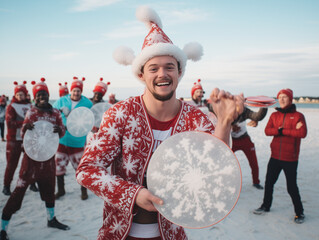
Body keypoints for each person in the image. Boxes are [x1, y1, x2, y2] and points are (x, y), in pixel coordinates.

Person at [76, 6, 244, 240]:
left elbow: (216, 168)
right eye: (153, 68)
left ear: (179, 72)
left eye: (169, 67)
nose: (162, 74)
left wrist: (224, 122)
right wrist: (133, 194)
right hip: (120, 232)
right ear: (142, 75)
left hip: (172, 233)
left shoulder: (195, 118)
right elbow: (87, 170)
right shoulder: (121, 114)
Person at [0, 78, 69, 240]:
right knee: (18, 193)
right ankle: (3, 227)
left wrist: (60, 130)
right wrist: (25, 128)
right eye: (38, 95)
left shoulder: (55, 113)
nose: (42, 97)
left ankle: (51, 219)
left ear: (48, 95)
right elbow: (24, 135)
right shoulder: (31, 112)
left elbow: (63, 131)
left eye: (44, 94)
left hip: (49, 160)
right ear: (34, 97)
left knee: (49, 191)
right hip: (30, 162)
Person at [253, 88, 307, 224]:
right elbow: (267, 131)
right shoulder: (274, 115)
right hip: (275, 156)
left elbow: (302, 133)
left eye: (285, 97)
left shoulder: (298, 116)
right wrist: (283, 130)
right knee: (269, 183)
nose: (282, 99)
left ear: (290, 99)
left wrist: (282, 131)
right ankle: (266, 206)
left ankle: (299, 213)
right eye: (280, 97)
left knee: (291, 187)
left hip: (290, 158)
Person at [53, 76, 93, 200]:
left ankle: (83, 191)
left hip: (77, 140)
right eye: (74, 90)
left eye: (78, 91)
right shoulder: (61, 101)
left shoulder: (87, 103)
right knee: (59, 167)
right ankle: (61, 190)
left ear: (81, 91)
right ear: (71, 90)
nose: (76, 93)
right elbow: (52, 112)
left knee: (80, 168)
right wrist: (60, 111)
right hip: (62, 139)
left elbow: (91, 119)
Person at [2, 81, 36, 196]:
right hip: (14, 140)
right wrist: (25, 123)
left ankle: (32, 183)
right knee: (12, 164)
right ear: (15, 95)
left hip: (28, 139)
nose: (20, 96)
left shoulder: (30, 105)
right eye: (18, 94)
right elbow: (10, 123)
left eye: (22, 94)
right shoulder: (11, 106)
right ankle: (6, 185)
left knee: (30, 163)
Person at [231, 107, 268, 189]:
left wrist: (256, 119)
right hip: (232, 141)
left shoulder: (244, 110)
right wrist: (230, 127)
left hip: (245, 139)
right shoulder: (226, 111)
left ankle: (256, 182)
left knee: (253, 162)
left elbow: (257, 116)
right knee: (227, 162)